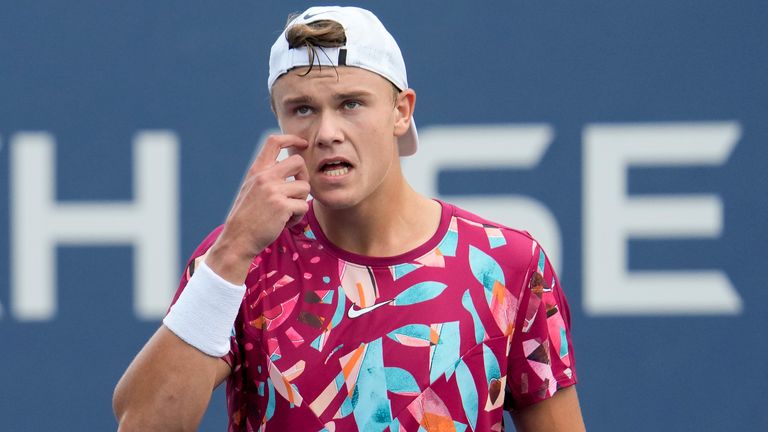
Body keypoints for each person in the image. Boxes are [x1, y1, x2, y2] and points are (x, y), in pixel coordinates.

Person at [113, 6, 585, 431]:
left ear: (401, 112)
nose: (327, 133)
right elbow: (141, 425)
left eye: (350, 104)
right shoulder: (240, 259)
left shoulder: (510, 265)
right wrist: (233, 252)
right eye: (302, 110)